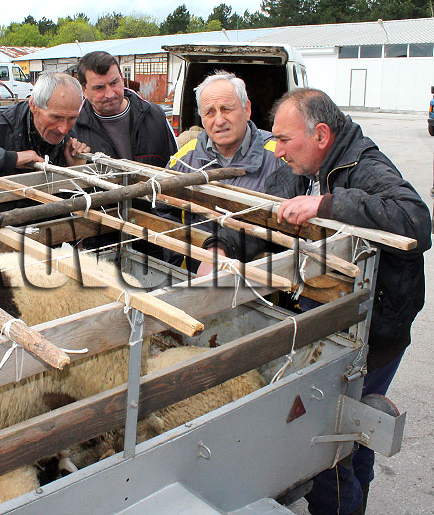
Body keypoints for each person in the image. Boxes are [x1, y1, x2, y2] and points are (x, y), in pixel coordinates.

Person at [207, 88, 431, 515]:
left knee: (325, 437)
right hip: (327, 315)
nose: (276, 148)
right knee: (349, 428)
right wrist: (221, 244)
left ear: (322, 134)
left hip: (373, 328)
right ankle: (355, 498)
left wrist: (328, 204)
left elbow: (417, 221)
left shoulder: (365, 166)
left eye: (285, 139)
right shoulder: (297, 168)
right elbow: (264, 211)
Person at [169, 70, 288, 190]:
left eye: (226, 109)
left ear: (246, 109)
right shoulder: (184, 158)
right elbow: (161, 205)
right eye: (209, 112)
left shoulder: (281, 157)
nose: (219, 121)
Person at [72, 51, 177, 167]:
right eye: (99, 88)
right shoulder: (73, 130)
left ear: (122, 79)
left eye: (114, 83)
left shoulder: (155, 116)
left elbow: (176, 168)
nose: (110, 94)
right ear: (84, 90)